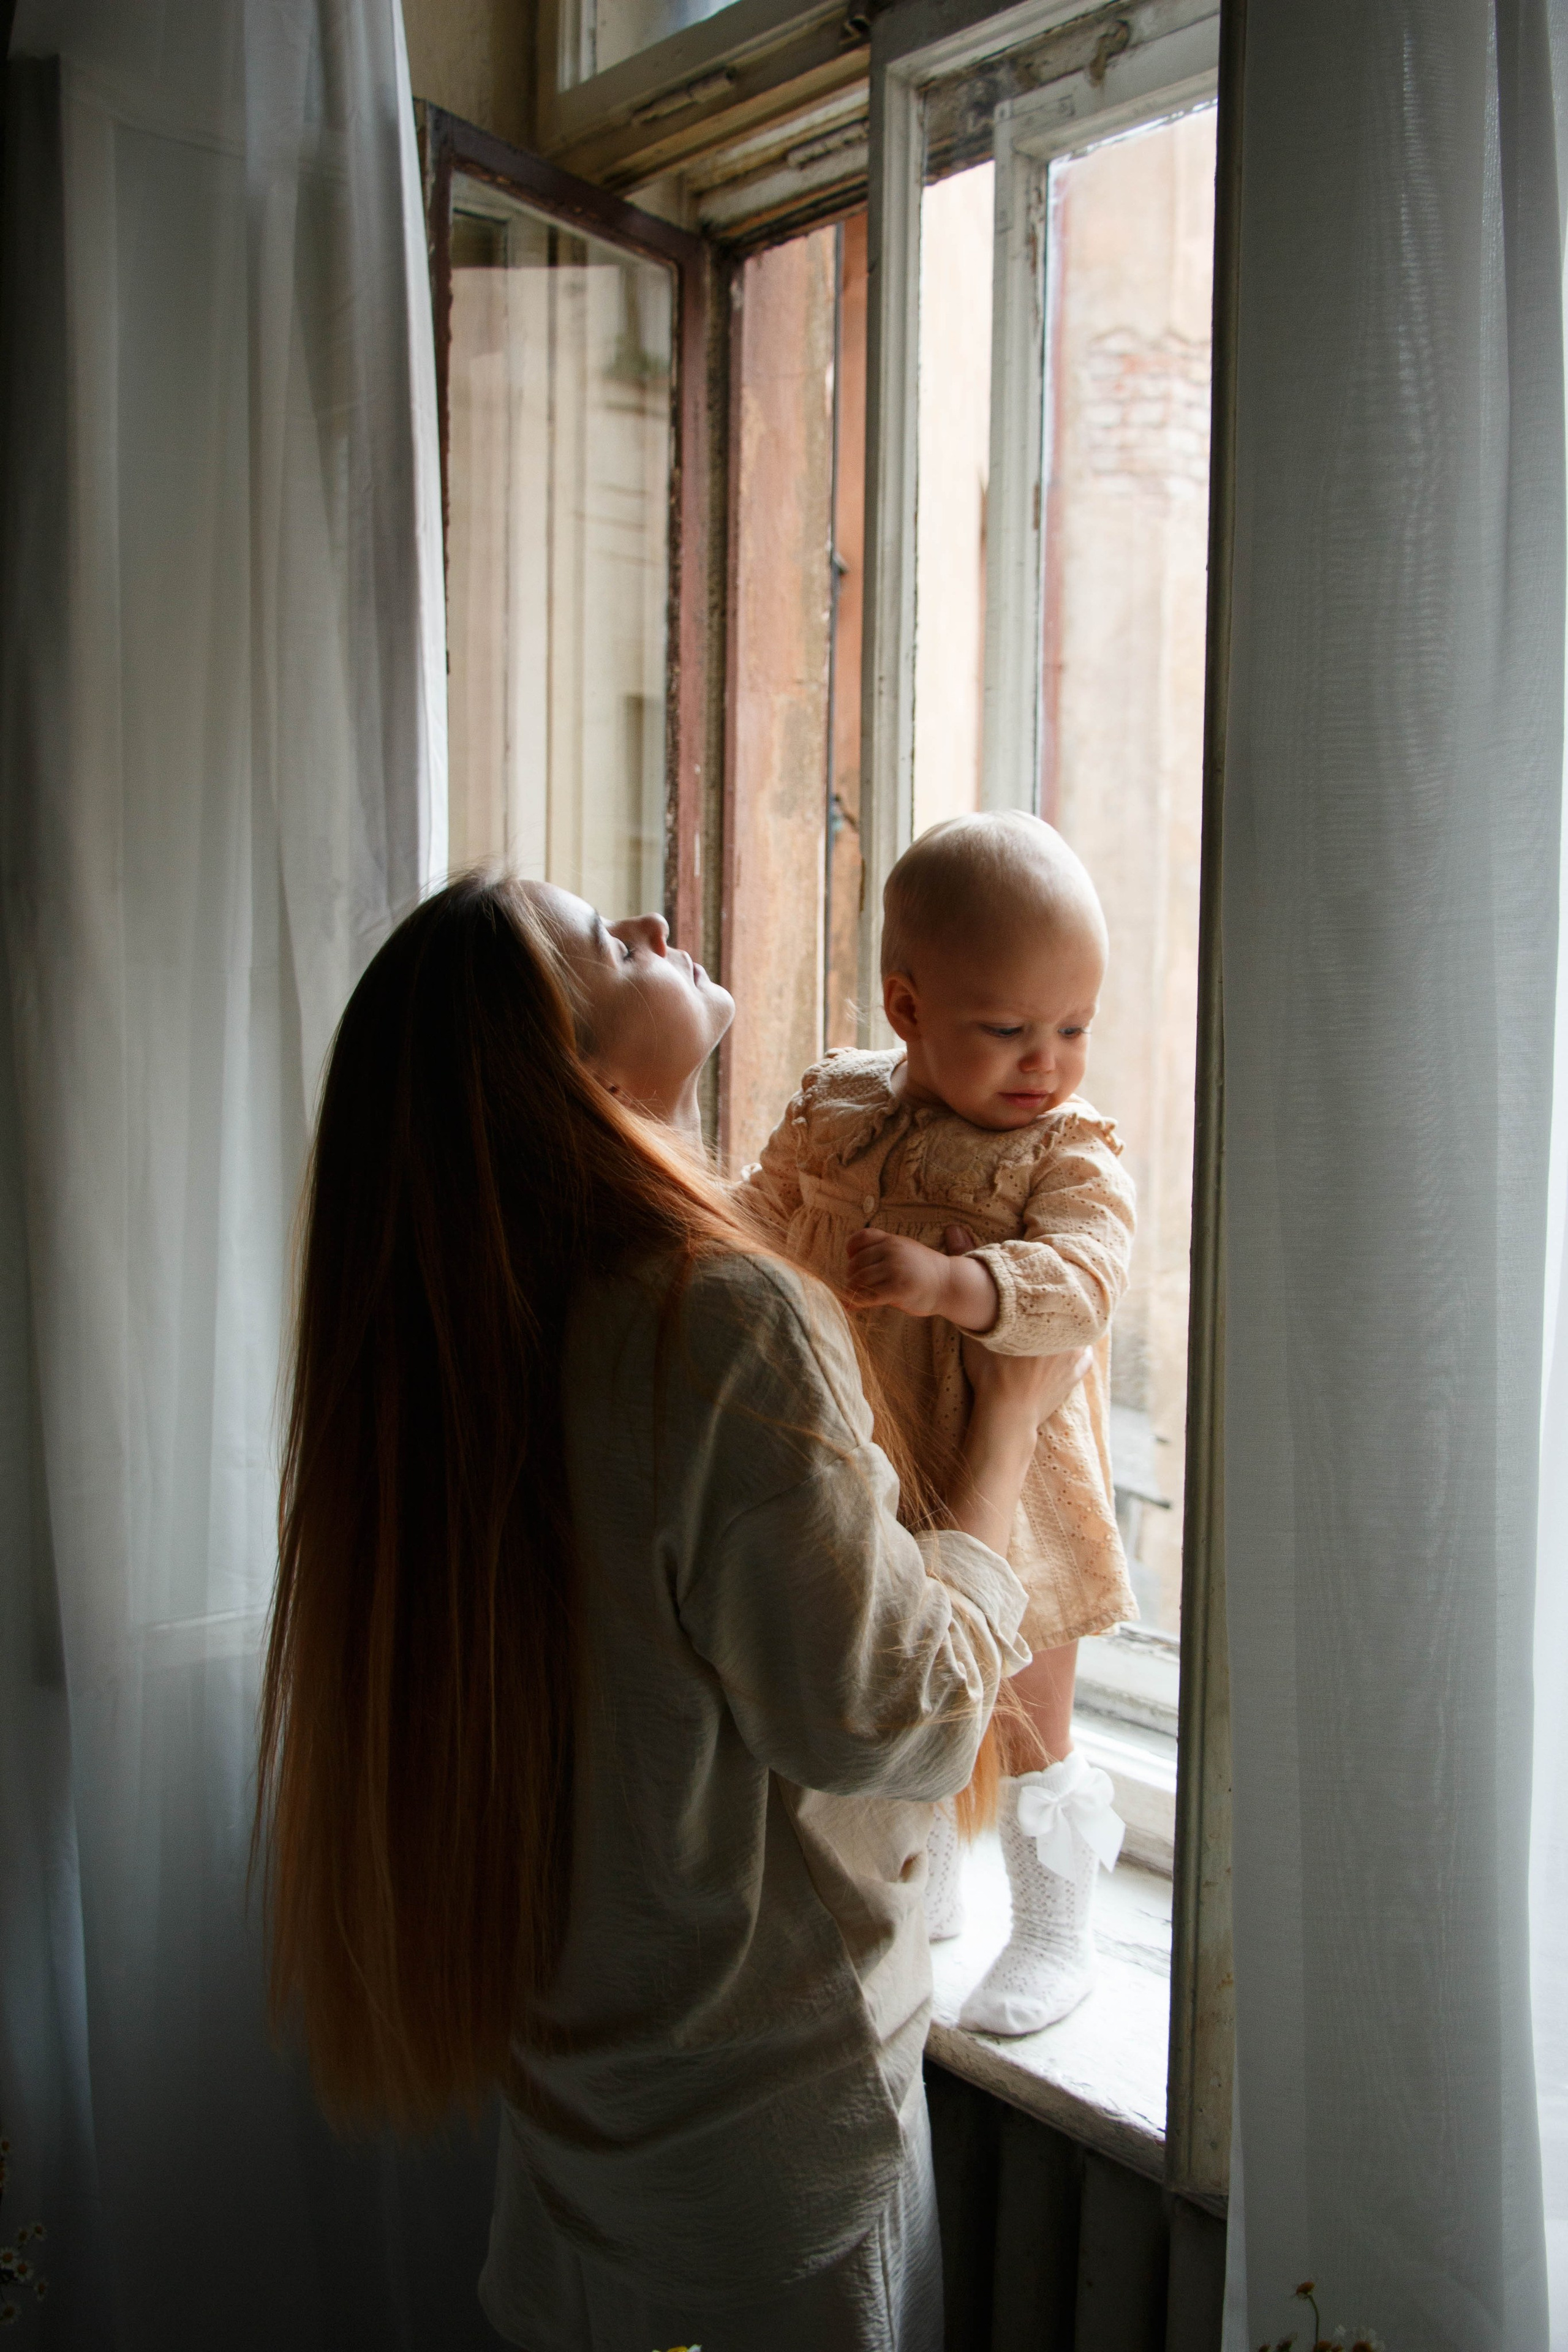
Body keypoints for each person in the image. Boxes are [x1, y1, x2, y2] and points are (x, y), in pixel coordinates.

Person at [255, 872, 1083, 2352]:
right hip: (767, 2172)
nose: (644, 925)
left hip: (578, 2122)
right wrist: (1010, 1419)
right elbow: (894, 1721)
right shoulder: (711, 1318)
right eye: (595, 942)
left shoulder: (474, 1327)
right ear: (572, 1068)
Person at [735, 812, 1136, 2037]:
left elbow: (1087, 1278)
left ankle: (1057, 1914)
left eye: (1073, 1027)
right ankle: (929, 1876)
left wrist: (954, 1287)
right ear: (905, 1010)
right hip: (858, 1456)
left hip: (1001, 1475)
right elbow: (758, 1211)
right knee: (903, 1673)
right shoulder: (838, 1103)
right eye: (1008, 1030)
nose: (1047, 1063)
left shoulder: (1063, 1153)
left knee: (1020, 1696)